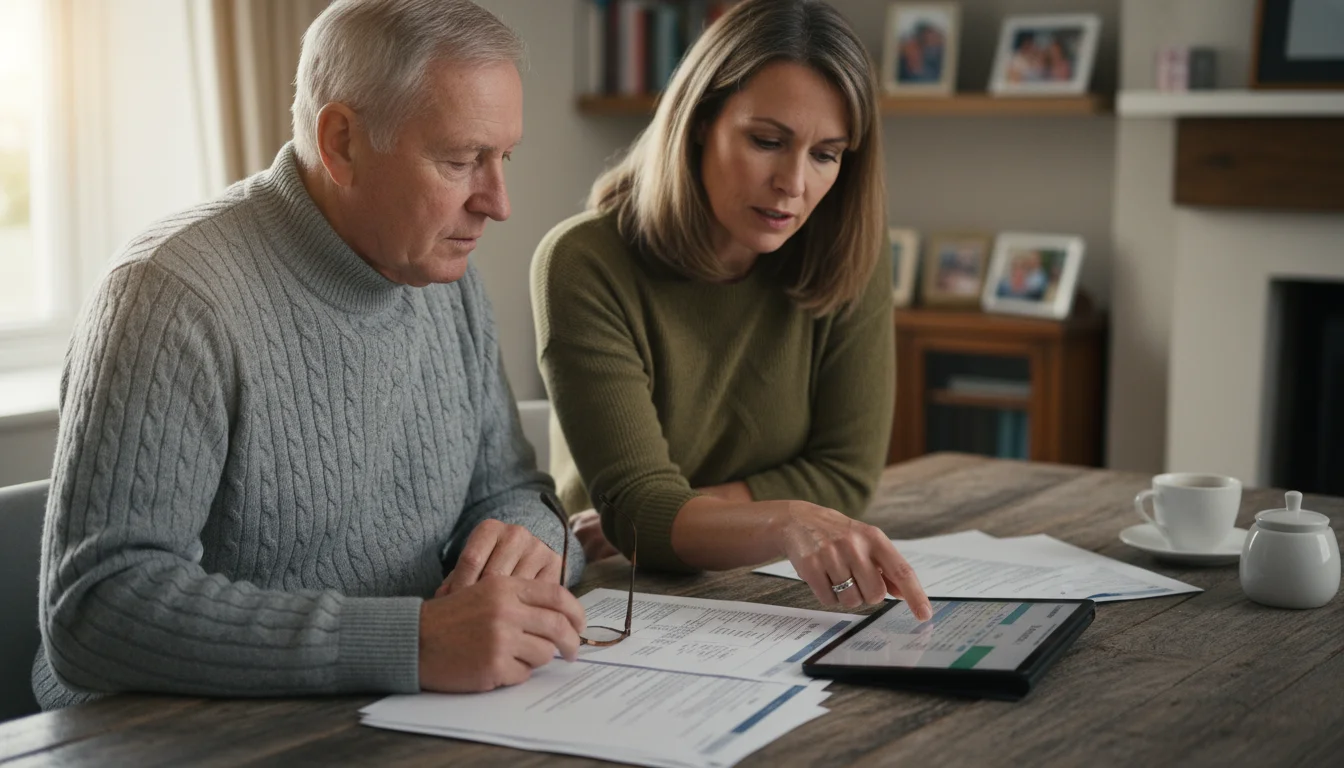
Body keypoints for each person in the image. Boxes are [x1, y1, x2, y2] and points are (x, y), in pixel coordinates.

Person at [32, 0, 586, 711]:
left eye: (503, 157)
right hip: (166, 736)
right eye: (461, 160)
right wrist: (409, 642)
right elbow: (98, 611)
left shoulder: (443, 277)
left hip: (391, 713)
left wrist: (530, 538)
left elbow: (511, 487)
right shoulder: (168, 297)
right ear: (342, 142)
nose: (499, 202)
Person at [531, 0, 932, 620]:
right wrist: (781, 517)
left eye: (826, 153)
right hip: (610, 594)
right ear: (697, 123)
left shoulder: (850, 250)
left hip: (766, 582)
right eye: (767, 141)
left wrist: (691, 516)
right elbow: (638, 514)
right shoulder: (583, 262)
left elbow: (847, 475)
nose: (794, 184)